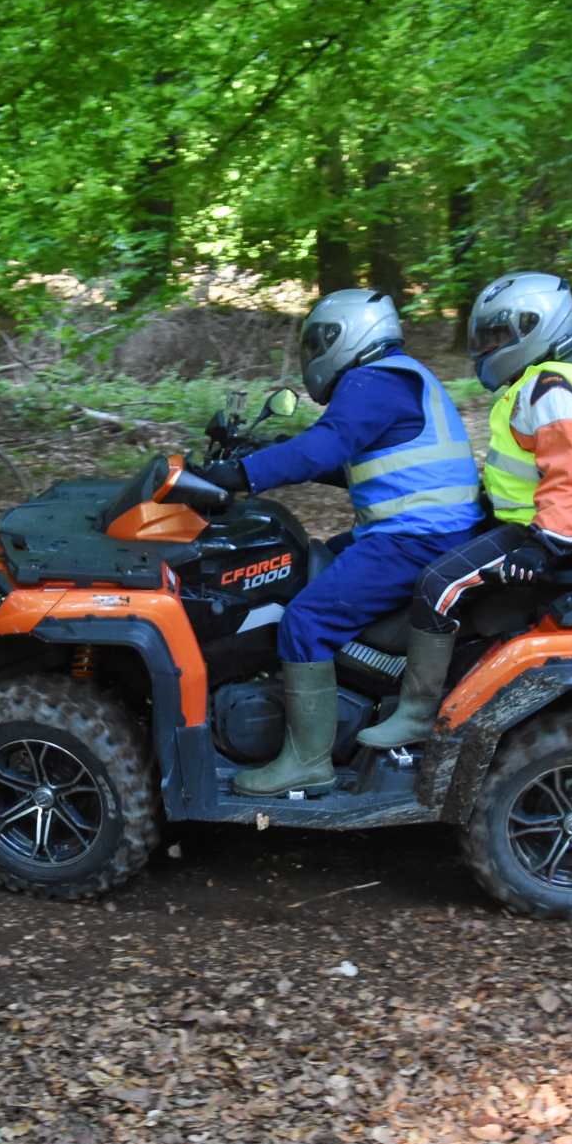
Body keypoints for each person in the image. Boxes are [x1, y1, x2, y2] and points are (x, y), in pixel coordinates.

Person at [197, 289, 480, 796]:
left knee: (306, 619)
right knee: (307, 563)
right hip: (423, 527)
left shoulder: (374, 380)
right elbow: (348, 461)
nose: (314, 352)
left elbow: (325, 446)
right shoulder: (398, 376)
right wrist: (265, 451)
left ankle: (307, 762)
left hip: (417, 537)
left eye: (319, 341)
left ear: (347, 334)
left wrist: (243, 474)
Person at [358, 272, 572, 749]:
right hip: (530, 523)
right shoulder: (565, 382)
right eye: (485, 337)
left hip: (536, 534)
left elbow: (569, 476)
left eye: (499, 335)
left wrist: (544, 544)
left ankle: (418, 714)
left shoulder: (551, 389)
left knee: (437, 586)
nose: (488, 347)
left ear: (538, 327)